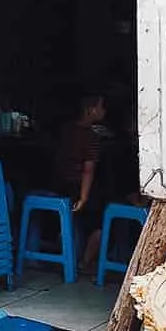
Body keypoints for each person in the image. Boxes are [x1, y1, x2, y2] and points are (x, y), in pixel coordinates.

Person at [56, 94, 108, 273]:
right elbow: (88, 170)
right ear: (90, 110)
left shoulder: (65, 129)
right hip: (76, 188)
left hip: (59, 184)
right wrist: (84, 198)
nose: (104, 111)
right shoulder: (91, 137)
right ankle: (85, 262)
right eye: (101, 107)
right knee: (102, 222)